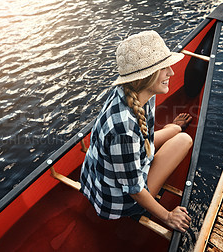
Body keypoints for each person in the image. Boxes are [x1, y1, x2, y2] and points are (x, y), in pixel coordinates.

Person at [80, 30, 192, 233]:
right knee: (184, 140)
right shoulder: (124, 130)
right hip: (117, 200)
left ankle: (174, 128)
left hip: (103, 175)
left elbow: (143, 140)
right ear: (146, 76)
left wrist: (172, 128)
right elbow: (134, 189)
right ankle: (175, 130)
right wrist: (167, 216)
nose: (171, 73)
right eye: (163, 68)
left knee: (176, 131)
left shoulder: (134, 91)